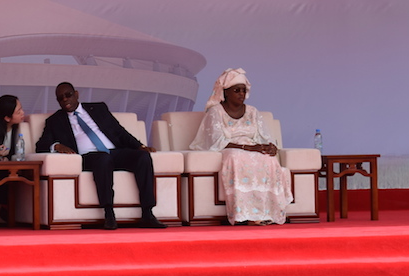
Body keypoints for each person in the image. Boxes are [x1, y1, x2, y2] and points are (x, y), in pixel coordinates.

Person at [35, 82, 166, 230]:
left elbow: (119, 132)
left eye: (68, 95)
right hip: (89, 157)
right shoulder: (54, 121)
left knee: (142, 157)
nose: (65, 100)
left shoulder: (98, 108)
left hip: (113, 152)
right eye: (60, 98)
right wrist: (57, 146)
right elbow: (40, 145)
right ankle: (109, 213)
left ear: (76, 94)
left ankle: (148, 213)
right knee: (103, 159)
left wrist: (140, 146)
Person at [188, 68, 293, 225]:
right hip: (229, 149)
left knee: (269, 160)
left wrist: (271, 147)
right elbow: (216, 140)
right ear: (226, 92)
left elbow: (265, 136)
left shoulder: (253, 111)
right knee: (236, 157)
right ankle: (244, 214)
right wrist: (247, 148)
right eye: (236, 90)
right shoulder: (216, 112)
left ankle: (268, 212)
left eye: (244, 91)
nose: (241, 94)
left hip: (253, 147)